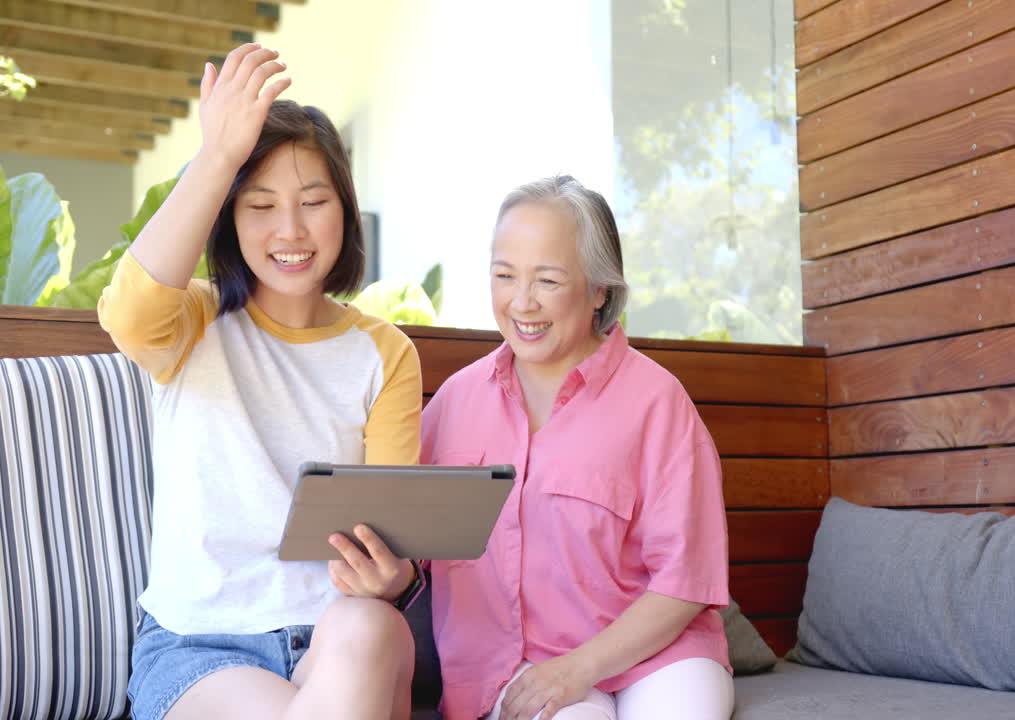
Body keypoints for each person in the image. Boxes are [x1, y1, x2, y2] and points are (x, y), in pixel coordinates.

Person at [98, 43, 424, 720]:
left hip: (334, 642)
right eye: (260, 205)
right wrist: (218, 154)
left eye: (313, 201)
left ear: (345, 209)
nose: (291, 230)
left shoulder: (383, 353)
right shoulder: (193, 322)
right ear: (229, 215)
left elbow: (395, 532)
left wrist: (395, 579)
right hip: (201, 651)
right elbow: (128, 312)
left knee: (375, 626)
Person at [419, 175, 734, 720]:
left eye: (548, 279)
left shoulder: (658, 400)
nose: (522, 302)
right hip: (511, 664)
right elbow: (407, 541)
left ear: (599, 289)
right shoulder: (454, 403)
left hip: (661, 657)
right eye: (504, 276)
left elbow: (686, 581)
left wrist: (581, 668)